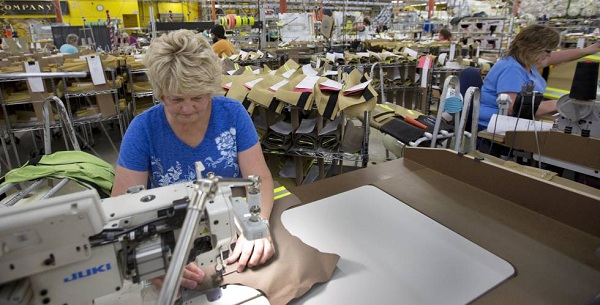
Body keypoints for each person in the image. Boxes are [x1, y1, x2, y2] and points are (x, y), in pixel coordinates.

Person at [111, 29, 275, 290]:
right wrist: (151, 258)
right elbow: (121, 210)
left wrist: (258, 224)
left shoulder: (232, 114)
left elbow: (261, 179)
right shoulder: (143, 130)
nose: (188, 108)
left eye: (198, 97)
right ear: (160, 93)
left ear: (211, 89)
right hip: (170, 240)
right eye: (176, 99)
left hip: (230, 232)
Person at [479, 24, 600, 131]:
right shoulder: (512, 69)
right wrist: (561, 104)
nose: (549, 56)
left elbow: (556, 57)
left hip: (512, 123)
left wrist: (586, 51)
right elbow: (514, 108)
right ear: (532, 49)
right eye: (547, 51)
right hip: (493, 127)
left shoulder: (527, 63)